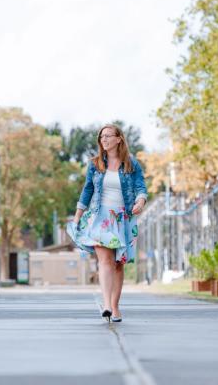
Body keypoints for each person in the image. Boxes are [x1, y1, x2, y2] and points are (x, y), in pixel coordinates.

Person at [67, 124, 148, 322]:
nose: (104, 140)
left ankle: (115, 306)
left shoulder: (131, 163)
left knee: (118, 264)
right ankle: (106, 305)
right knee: (104, 260)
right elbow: (87, 190)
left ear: (119, 139)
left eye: (108, 136)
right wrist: (78, 215)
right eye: (101, 137)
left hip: (123, 218)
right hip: (100, 217)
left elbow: (140, 186)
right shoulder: (95, 164)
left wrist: (141, 200)